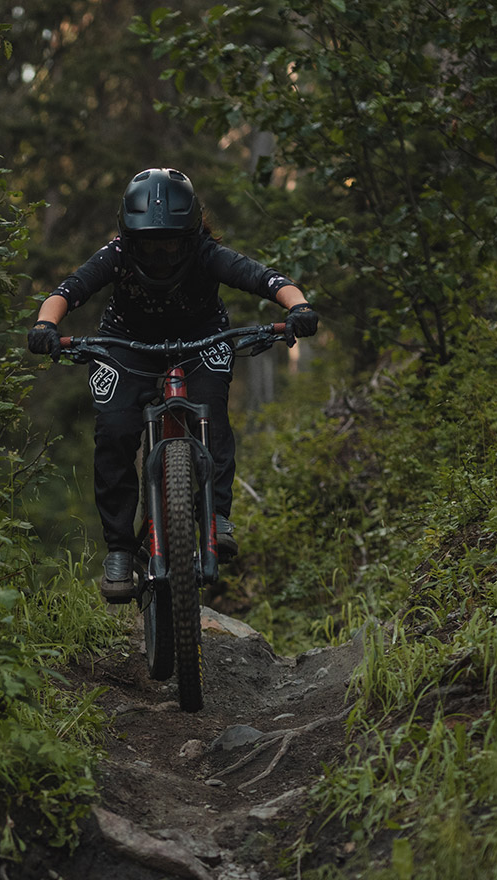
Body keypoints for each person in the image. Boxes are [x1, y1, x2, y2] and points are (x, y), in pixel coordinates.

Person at [28, 168, 318, 602]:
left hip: (203, 338)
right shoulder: (116, 255)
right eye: (150, 243)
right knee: (114, 431)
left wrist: (300, 307)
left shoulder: (208, 254)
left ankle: (218, 516)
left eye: (172, 242)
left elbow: (268, 279)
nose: (162, 253)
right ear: (129, 236)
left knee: (212, 413)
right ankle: (121, 551)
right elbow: (68, 291)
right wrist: (45, 325)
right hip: (127, 342)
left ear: (193, 233)